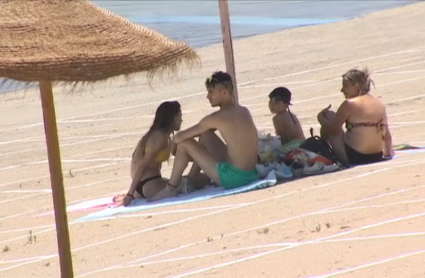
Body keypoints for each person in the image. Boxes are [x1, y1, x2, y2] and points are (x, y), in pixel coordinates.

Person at [149, 71, 259, 201]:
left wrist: (174, 146)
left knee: (184, 145)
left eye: (211, 92)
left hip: (234, 179)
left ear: (224, 93)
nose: (208, 96)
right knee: (206, 135)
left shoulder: (217, 118)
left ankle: (171, 188)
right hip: (251, 174)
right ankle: (190, 180)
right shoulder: (243, 110)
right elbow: (204, 132)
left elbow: (180, 137)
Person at [317, 67, 394, 167]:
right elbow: (387, 135)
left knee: (328, 117)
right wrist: (388, 153)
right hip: (377, 155)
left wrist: (320, 118)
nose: (341, 90)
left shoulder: (349, 104)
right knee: (332, 117)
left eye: (345, 86)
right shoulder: (379, 103)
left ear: (356, 86)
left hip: (355, 156)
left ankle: (329, 157)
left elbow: (333, 131)